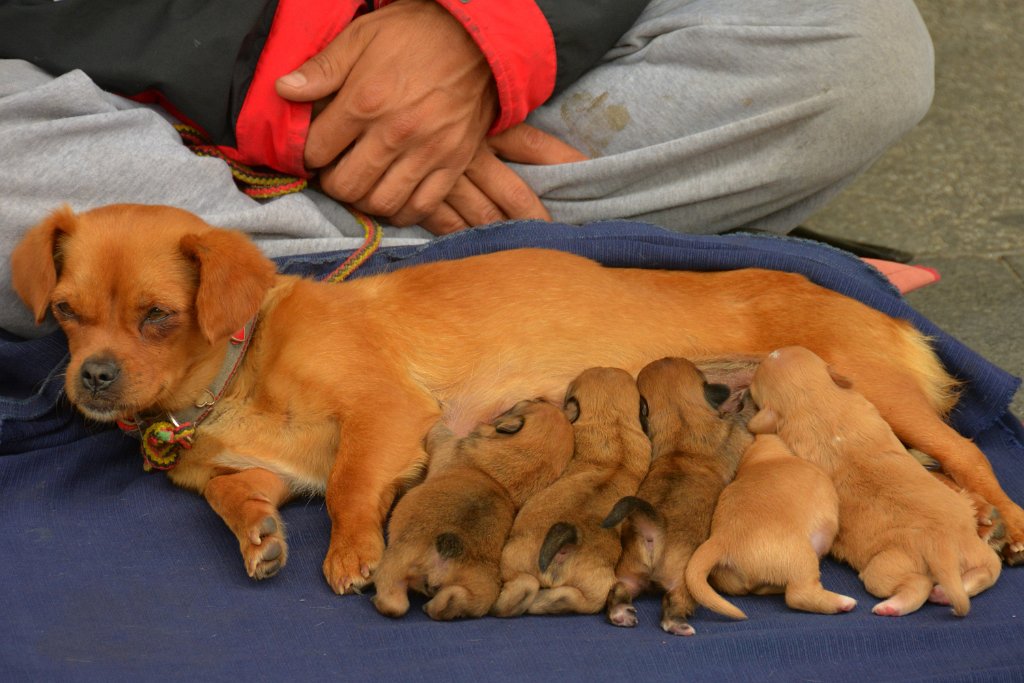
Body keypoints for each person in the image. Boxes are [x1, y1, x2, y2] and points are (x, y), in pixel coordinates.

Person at [0, 0, 934, 338]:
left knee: (860, 48)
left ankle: (255, 281)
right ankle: (608, 267)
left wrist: (483, 33)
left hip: (483, 72)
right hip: (133, 94)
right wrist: (307, 88)